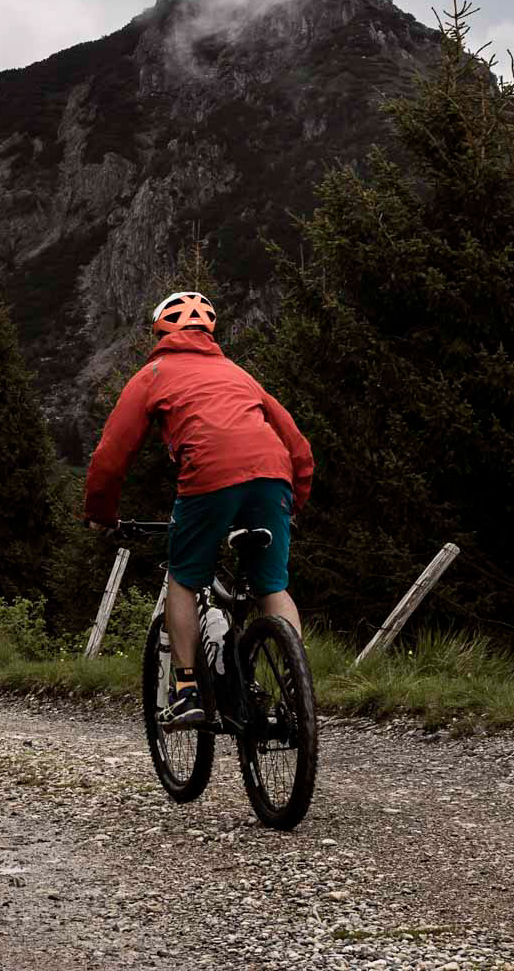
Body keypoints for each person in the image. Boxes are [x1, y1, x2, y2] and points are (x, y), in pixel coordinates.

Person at [83, 291, 314, 728]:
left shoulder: (153, 373)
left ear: (159, 332)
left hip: (210, 475)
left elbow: (111, 455)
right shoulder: (240, 374)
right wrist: (292, 504)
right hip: (273, 477)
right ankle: (297, 694)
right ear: (210, 332)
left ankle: (187, 690)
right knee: (271, 587)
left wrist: (102, 513)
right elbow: (298, 446)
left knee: (184, 578)